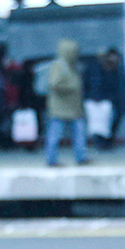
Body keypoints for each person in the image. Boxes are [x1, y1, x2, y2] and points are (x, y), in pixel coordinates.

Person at [44, 38, 88, 166]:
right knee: (55, 135)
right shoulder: (59, 65)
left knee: (79, 134)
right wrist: (71, 87)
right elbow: (53, 84)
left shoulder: (71, 65)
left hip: (73, 107)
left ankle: (81, 157)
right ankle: (51, 160)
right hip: (60, 108)